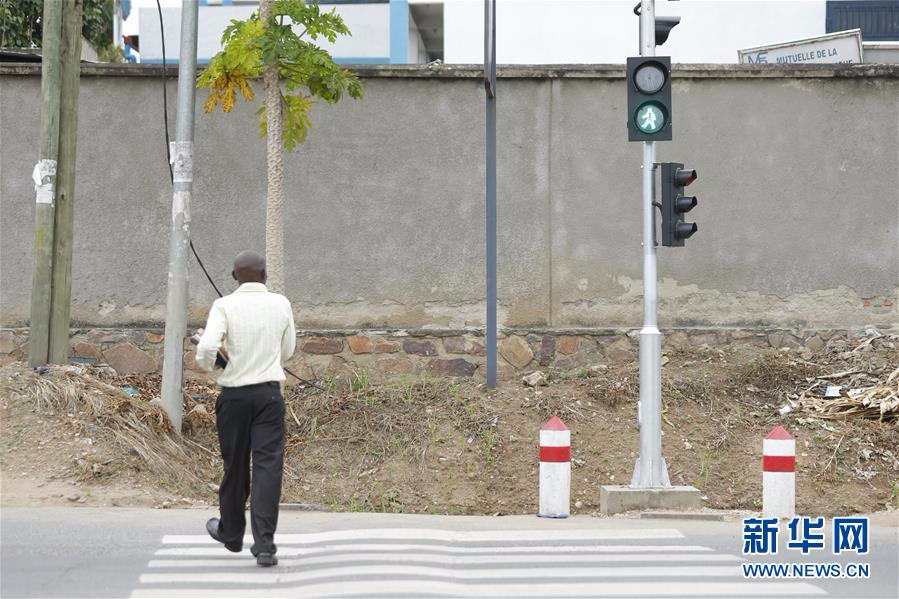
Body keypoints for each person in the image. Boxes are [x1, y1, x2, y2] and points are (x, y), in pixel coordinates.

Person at [195, 250, 296, 567]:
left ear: (234, 276)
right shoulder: (281, 304)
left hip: (234, 397)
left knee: (235, 464)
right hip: (268, 396)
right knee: (268, 466)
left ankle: (231, 533)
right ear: (265, 275)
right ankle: (265, 545)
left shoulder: (224, 305)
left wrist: (208, 363)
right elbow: (289, 350)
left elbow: (208, 345)